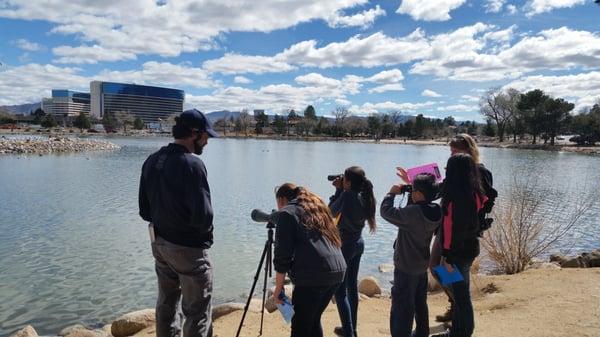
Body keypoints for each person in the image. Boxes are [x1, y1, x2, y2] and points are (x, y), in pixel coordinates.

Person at [138, 109, 219, 337]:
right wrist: (203, 240)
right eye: (206, 136)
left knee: (166, 303)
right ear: (194, 133)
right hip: (188, 249)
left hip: (160, 244)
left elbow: (144, 210)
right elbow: (204, 216)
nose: (207, 141)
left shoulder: (152, 160)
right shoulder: (192, 164)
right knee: (197, 311)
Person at [272, 183, 347, 337]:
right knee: (312, 320)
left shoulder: (286, 214)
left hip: (313, 276)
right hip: (337, 272)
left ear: (281, 200)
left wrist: (278, 289)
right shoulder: (317, 207)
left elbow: (282, 257)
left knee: (300, 327)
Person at [431, 153, 488, 337]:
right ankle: (460, 330)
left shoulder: (455, 197)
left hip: (455, 253)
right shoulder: (475, 192)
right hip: (469, 248)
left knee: (460, 296)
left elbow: (450, 228)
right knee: (461, 295)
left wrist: (446, 256)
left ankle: (459, 333)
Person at [380, 173, 442, 337]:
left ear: (419, 193)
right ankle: (422, 333)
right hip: (421, 266)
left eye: (413, 190)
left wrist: (391, 194)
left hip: (406, 268)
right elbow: (414, 210)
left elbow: (385, 212)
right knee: (420, 303)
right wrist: (410, 193)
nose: (412, 192)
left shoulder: (412, 213)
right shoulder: (436, 210)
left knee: (402, 307)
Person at [329, 167, 377, 337]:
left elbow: (330, 212)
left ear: (347, 182)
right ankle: (352, 328)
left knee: (340, 292)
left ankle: (349, 332)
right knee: (351, 288)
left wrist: (338, 190)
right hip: (358, 243)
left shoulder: (347, 195)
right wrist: (342, 189)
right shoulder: (364, 195)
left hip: (345, 246)